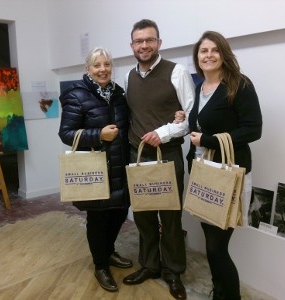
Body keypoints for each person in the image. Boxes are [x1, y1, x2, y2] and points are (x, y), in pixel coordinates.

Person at [186, 31, 262, 300]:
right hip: (205, 173)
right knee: (210, 243)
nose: (208, 55)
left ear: (224, 54)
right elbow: (205, 122)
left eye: (214, 50)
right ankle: (219, 290)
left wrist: (207, 139)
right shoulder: (200, 88)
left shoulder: (239, 85)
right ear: (197, 58)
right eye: (203, 51)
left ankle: (229, 296)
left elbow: (253, 130)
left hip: (228, 175)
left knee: (217, 248)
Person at [122, 19, 195, 300]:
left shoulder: (176, 72)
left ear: (159, 43)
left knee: (170, 215)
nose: (144, 45)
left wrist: (163, 133)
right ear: (132, 45)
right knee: (142, 215)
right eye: (139, 41)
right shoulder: (128, 76)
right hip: (136, 156)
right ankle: (150, 265)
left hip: (167, 154)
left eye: (149, 40)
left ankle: (173, 271)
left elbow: (189, 117)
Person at [58, 47, 132, 292]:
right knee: (98, 220)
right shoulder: (77, 95)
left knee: (119, 213)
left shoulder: (119, 94)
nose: (103, 69)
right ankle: (101, 264)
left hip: (120, 167)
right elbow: (66, 134)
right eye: (97, 65)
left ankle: (109, 252)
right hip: (95, 170)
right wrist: (98, 135)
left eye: (107, 64)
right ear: (88, 69)